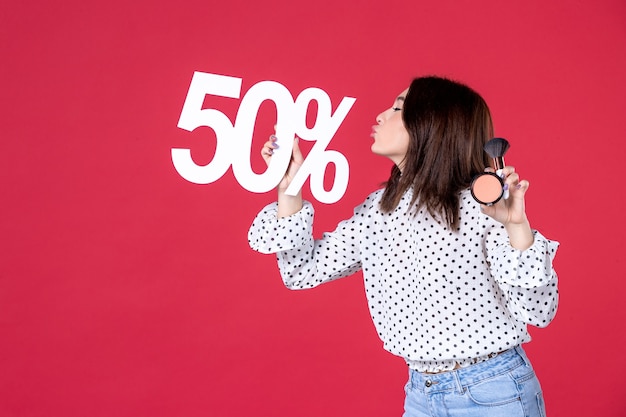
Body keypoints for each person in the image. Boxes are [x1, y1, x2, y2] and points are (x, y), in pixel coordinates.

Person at [248, 76, 559, 417]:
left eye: (398, 107)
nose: (381, 115)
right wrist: (290, 187)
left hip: (492, 392)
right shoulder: (378, 211)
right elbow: (301, 270)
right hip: (421, 395)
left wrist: (515, 225)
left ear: (434, 125)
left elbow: (538, 313)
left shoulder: (483, 205)